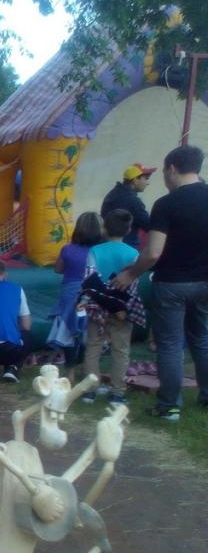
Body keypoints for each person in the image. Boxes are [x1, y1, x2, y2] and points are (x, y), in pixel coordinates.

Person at [112, 145, 208, 421]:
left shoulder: (166, 204)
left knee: (170, 344)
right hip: (204, 282)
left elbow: (153, 252)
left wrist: (131, 274)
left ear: (172, 169)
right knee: (202, 339)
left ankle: (169, 406)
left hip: (171, 284)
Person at [79, 209, 142, 405]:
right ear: (129, 229)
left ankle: (90, 391)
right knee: (121, 349)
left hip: (97, 306)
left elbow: (89, 280)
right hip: (122, 308)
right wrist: (120, 307)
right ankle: (117, 393)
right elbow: (133, 284)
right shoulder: (134, 254)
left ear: (104, 228)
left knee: (93, 346)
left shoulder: (95, 251)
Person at [46, 212, 104, 379]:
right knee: (89, 332)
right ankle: (89, 369)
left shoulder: (68, 249)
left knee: (68, 333)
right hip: (92, 293)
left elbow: (58, 269)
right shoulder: (99, 251)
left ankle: (69, 372)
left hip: (70, 295)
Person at [100, 163, 155, 248]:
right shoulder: (133, 201)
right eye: (146, 178)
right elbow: (151, 227)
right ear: (135, 180)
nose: (148, 183)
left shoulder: (112, 194)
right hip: (128, 248)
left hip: (106, 246)